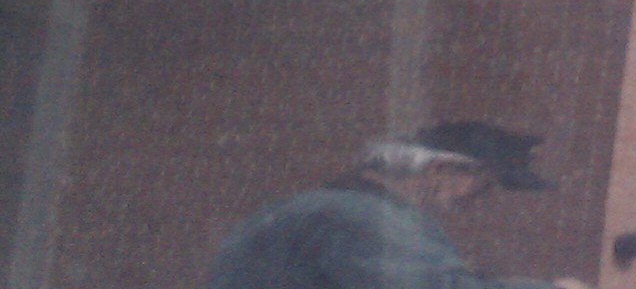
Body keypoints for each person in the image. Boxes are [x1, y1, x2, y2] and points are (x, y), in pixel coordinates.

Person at [203, 122, 590, 289]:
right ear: (440, 169)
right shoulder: (366, 220)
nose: (478, 202)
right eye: (482, 187)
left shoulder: (323, 210)